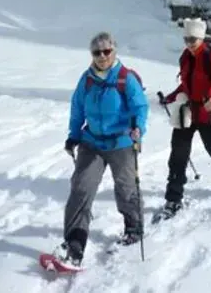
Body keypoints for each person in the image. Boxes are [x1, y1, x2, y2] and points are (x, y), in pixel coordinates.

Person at [50, 32, 149, 271]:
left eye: (107, 51)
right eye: (97, 52)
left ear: (114, 51)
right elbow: (77, 109)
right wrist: (74, 134)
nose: (102, 56)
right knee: (81, 188)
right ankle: (74, 245)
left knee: (126, 188)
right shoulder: (87, 80)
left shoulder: (125, 78)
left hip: (121, 143)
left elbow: (140, 106)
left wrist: (138, 128)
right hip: (92, 142)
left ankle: (134, 228)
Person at [157, 18, 211, 220]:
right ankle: (173, 198)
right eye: (187, 38)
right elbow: (186, 85)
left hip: (210, 112)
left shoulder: (210, 56)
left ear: (201, 38)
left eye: (194, 39)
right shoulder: (185, 57)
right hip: (188, 111)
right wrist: (171, 98)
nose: (190, 42)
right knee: (178, 154)